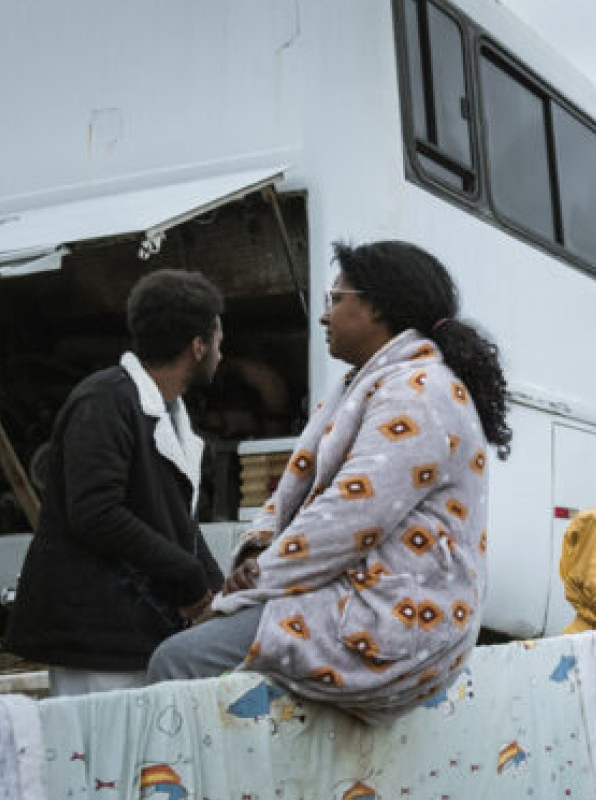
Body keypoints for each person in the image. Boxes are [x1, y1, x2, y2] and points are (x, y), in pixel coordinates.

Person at [148, 241, 512, 723]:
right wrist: (257, 550)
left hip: (390, 618)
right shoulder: (369, 383)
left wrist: (237, 595)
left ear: (378, 308)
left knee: (176, 660)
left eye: (336, 300)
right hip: (353, 598)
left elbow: (350, 517)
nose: (324, 317)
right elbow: (293, 495)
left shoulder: (419, 392)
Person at [4, 270, 226, 696]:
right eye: (218, 338)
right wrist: (189, 578)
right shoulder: (104, 401)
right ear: (198, 346)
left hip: (136, 628)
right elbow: (95, 513)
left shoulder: (165, 410)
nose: (221, 349)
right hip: (94, 633)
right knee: (97, 757)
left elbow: (177, 519)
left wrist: (217, 590)